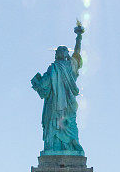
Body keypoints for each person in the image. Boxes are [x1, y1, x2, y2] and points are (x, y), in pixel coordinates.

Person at [31, 23, 85, 154]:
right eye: (58, 50)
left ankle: (71, 146)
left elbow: (77, 53)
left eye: (64, 50)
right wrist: (37, 83)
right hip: (54, 104)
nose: (61, 52)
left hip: (67, 103)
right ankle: (53, 147)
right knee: (53, 125)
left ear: (67, 53)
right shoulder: (53, 68)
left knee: (69, 125)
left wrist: (79, 37)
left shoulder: (70, 65)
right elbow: (44, 86)